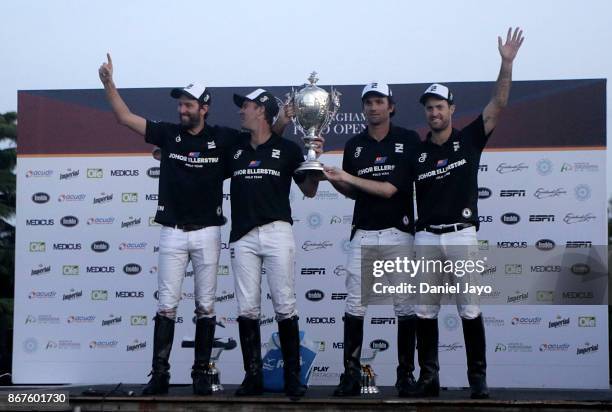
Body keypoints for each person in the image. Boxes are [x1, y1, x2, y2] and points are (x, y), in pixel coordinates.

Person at [98, 54, 240, 396]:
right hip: (173, 231)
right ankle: (159, 374)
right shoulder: (169, 135)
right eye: (180, 104)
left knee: (206, 306)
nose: (182, 110)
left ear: (204, 108)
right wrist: (109, 84)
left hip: (208, 230)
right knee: (166, 305)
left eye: (189, 104)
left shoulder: (224, 138)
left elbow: (262, 141)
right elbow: (124, 117)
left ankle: (202, 374)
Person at [409, 27, 525, 399]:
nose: (434, 112)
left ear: (451, 110)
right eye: (429, 108)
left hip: (462, 234)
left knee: (470, 310)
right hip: (426, 236)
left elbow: (500, 102)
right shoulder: (416, 151)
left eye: (439, 106)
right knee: (425, 313)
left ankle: (478, 379)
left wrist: (506, 63)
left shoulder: (470, 138)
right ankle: (429, 379)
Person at [323, 83, 421, 397]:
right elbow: (354, 191)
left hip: (398, 232)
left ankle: (406, 376)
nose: (373, 108)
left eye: (379, 102)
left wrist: (346, 176)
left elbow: (389, 189)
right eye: (368, 103)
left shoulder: (408, 140)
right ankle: (350, 376)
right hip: (363, 232)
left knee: (405, 307)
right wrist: (335, 179)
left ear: (391, 106)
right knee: (355, 305)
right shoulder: (355, 146)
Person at [224, 88, 322, 398]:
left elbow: (308, 191)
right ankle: (252, 377)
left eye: (247, 106)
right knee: (247, 308)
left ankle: (292, 379)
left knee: (284, 305)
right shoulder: (235, 146)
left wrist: (314, 160)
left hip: (277, 231)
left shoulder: (289, 149)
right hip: (242, 235)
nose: (241, 111)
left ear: (262, 112)